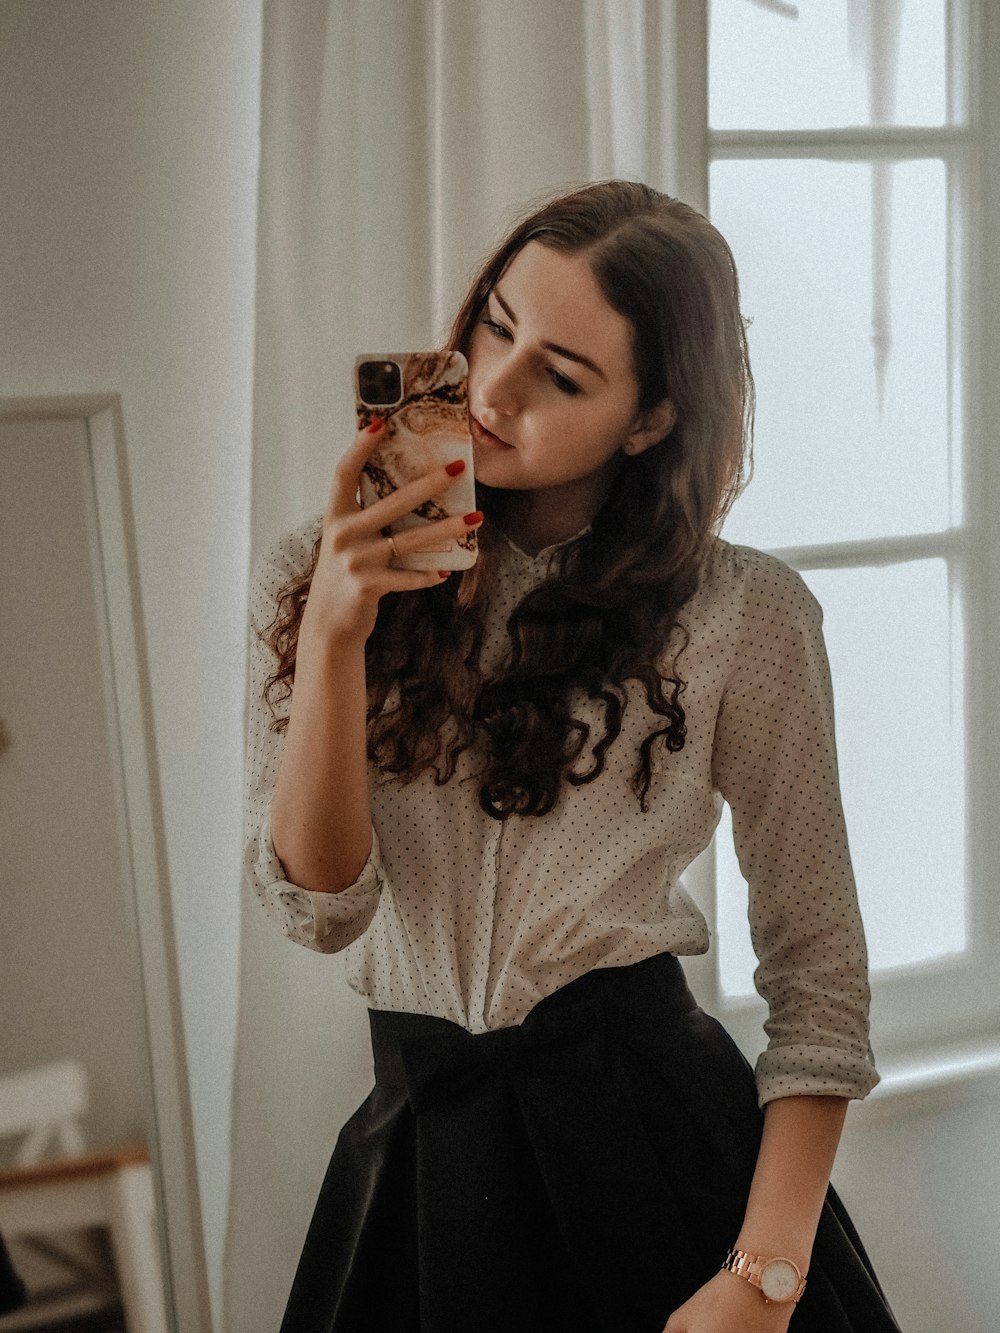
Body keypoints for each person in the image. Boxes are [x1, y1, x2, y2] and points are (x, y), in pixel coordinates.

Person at [244, 180, 901, 1333]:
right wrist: (340, 633)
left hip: (663, 1164)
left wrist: (764, 1280)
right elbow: (319, 911)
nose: (493, 389)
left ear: (649, 418)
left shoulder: (745, 615)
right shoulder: (321, 568)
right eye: (494, 324)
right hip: (422, 1171)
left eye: (561, 373)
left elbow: (820, 981)